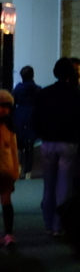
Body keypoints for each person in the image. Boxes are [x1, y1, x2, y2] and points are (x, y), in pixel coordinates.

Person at [35, 57, 80, 235]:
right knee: (64, 186)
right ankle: (59, 225)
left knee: (48, 184)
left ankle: (48, 222)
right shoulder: (76, 93)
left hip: (47, 142)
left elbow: (35, 117)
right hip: (68, 142)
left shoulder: (45, 92)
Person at [0, 90, 20, 248]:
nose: (5, 110)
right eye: (3, 106)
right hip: (5, 168)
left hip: (5, 170)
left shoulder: (9, 125)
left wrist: (15, 170)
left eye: (8, 107)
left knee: (6, 200)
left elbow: (14, 149)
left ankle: (8, 234)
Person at [13, 64, 40, 179]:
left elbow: (12, 103)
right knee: (29, 145)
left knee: (18, 144)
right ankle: (28, 171)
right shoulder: (38, 89)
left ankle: (18, 168)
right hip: (32, 116)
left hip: (19, 115)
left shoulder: (17, 89)